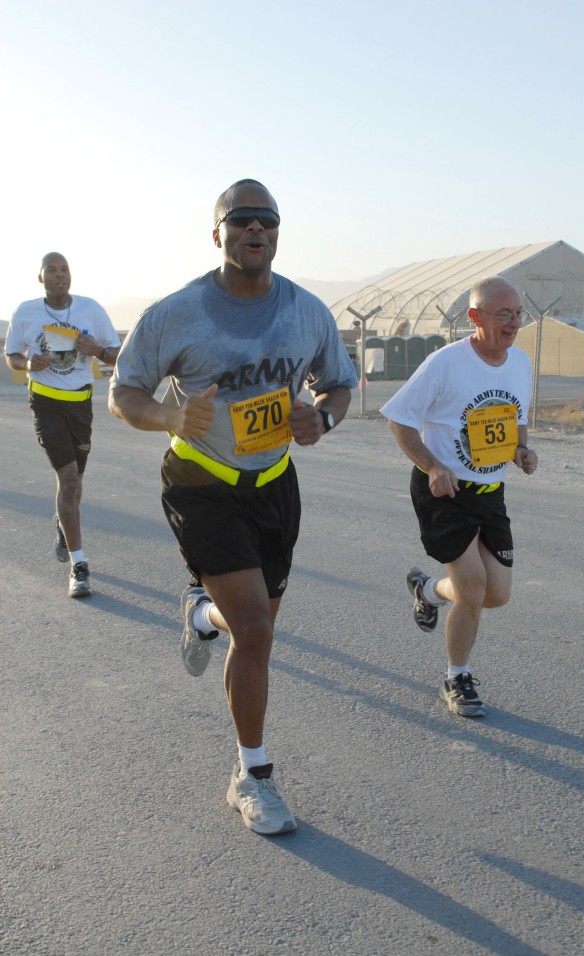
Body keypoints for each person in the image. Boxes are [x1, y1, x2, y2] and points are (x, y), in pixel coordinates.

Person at [108, 178, 358, 835]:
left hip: (274, 484)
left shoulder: (307, 312)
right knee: (258, 630)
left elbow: (338, 385)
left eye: (268, 220)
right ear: (216, 233)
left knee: (252, 626)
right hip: (202, 484)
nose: (257, 230)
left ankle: (200, 610)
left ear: (277, 232)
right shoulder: (177, 313)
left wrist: (322, 421)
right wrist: (166, 412)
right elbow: (123, 391)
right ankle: (253, 774)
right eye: (242, 220)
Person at [380, 276, 538, 718]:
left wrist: (522, 449)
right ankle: (457, 678)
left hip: (490, 493)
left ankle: (429, 591)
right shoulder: (444, 364)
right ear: (475, 317)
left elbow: (516, 415)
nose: (513, 323)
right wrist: (433, 466)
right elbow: (399, 420)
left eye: (517, 314)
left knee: (497, 594)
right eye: (502, 314)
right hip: (444, 492)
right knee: (472, 589)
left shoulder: (520, 362)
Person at [4, 252, 121, 598]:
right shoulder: (25, 312)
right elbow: (11, 353)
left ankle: (63, 523)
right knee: (68, 479)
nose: (59, 275)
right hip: (45, 402)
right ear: (41, 278)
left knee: (76, 482)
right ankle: (79, 566)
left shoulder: (91, 310)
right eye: (52, 270)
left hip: (80, 405)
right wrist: (26, 363)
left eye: (64, 269)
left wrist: (97, 349)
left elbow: (117, 354)